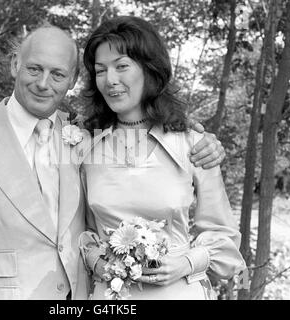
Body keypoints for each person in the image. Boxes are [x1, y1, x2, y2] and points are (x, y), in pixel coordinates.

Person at [0, 24, 225, 300]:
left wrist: (202, 139)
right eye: (34, 69)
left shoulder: (83, 136)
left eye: (58, 74)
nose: (43, 84)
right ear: (14, 65)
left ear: (72, 81)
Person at [78, 16, 246, 300]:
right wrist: (99, 262)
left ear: (149, 69)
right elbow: (80, 233)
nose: (110, 81)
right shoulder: (85, 145)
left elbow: (224, 238)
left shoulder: (194, 144)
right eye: (100, 70)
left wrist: (186, 263)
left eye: (121, 66)